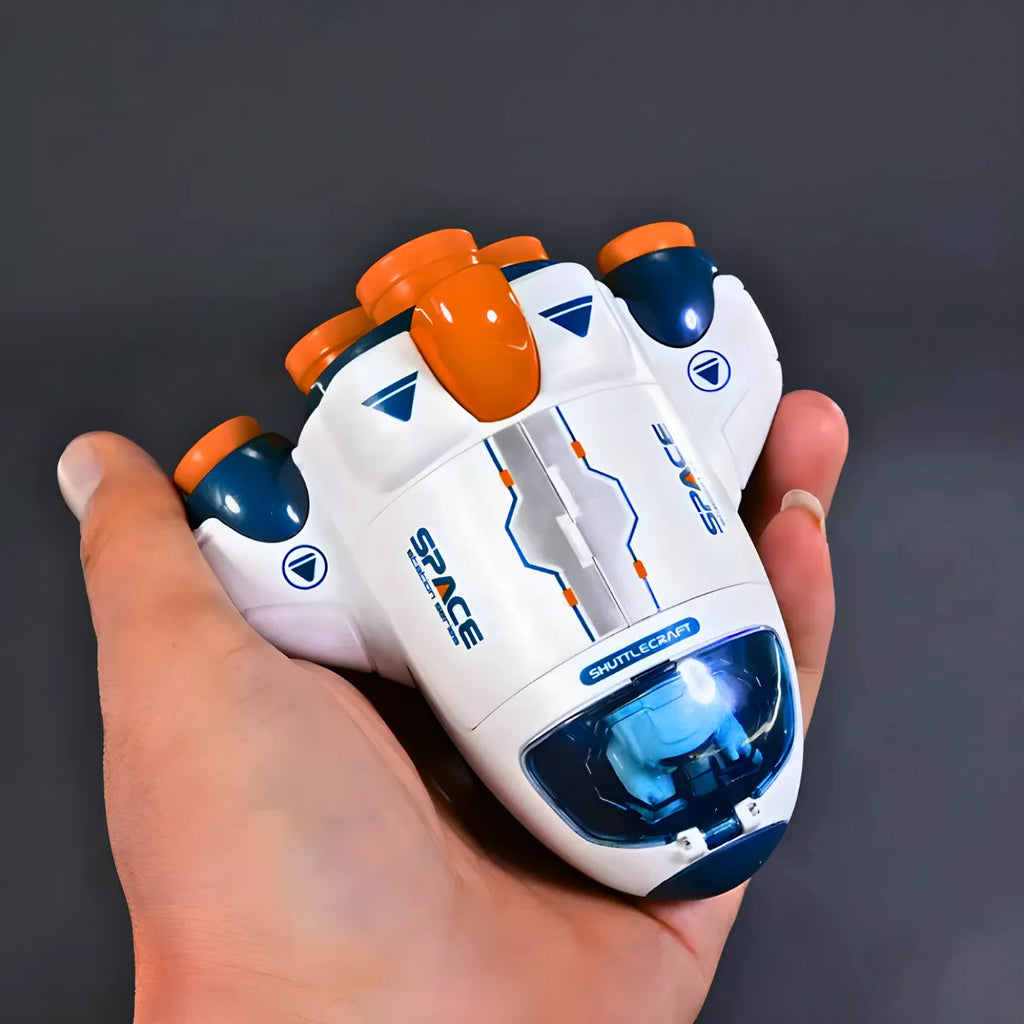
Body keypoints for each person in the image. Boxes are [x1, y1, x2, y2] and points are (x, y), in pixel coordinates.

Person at [57, 390, 847, 1024]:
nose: (696, 764)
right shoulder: (625, 795)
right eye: (720, 740)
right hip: (594, 382)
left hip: (407, 447)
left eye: (660, 768)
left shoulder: (635, 790)